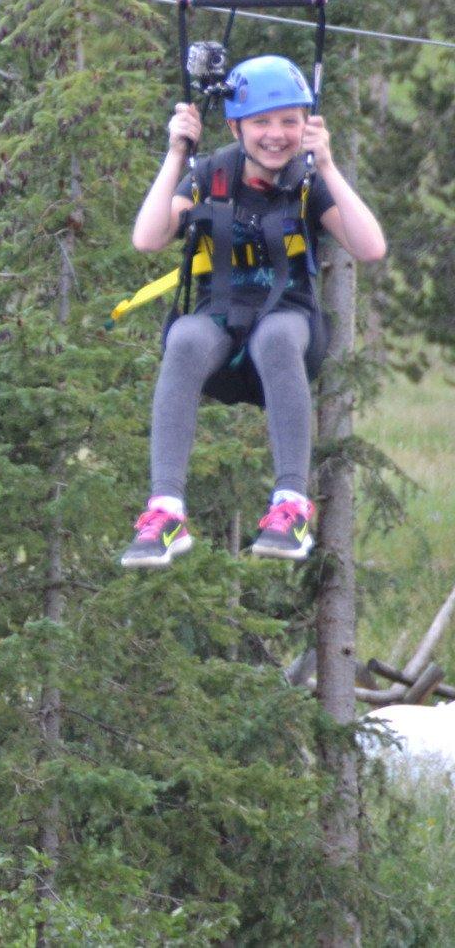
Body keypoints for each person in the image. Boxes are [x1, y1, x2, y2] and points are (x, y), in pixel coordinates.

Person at [119, 55, 386, 569]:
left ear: (306, 125)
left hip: (288, 317)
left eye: (289, 121)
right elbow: (147, 238)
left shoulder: (308, 181)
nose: (276, 135)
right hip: (219, 316)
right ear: (237, 125)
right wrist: (176, 154)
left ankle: (291, 505)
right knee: (185, 339)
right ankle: (166, 509)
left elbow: (370, 248)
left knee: (275, 338)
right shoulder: (209, 174)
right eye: (262, 122)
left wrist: (327, 164)